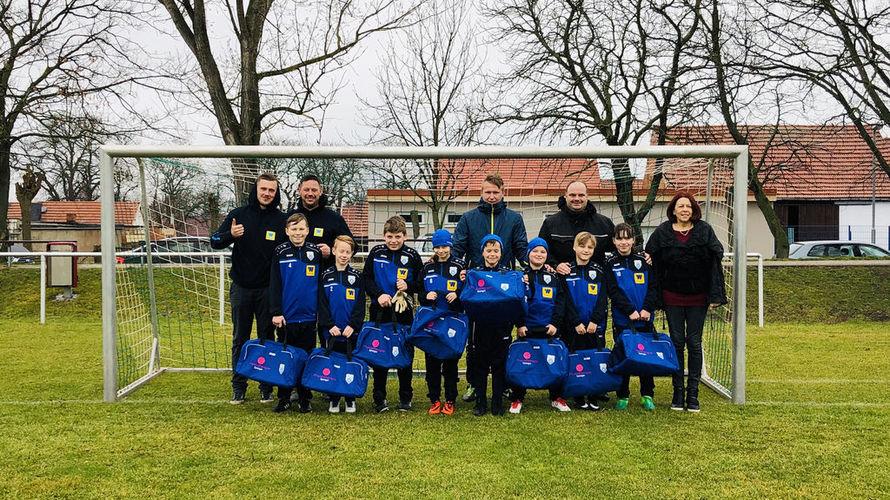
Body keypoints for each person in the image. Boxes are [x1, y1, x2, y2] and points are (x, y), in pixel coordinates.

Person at [644, 192, 727, 412]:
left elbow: (716, 257)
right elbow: (650, 255)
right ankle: (678, 392)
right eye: (680, 206)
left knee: (694, 342)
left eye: (688, 206)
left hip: (698, 296)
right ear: (673, 209)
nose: (684, 210)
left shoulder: (704, 230)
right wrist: (649, 258)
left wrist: (715, 294)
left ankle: (693, 394)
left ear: (693, 210)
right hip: (672, 295)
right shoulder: (663, 231)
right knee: (677, 341)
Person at [210, 173, 287, 404]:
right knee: (240, 339)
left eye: (271, 190)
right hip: (241, 289)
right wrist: (230, 235)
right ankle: (239, 386)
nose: (267, 193)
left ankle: (266, 386)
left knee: (267, 339)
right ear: (256, 190)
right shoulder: (238, 215)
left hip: (267, 291)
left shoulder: (281, 220)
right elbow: (214, 241)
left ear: (276, 193)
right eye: (263, 189)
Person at [453, 173, 528, 403]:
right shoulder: (468, 218)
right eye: (488, 192)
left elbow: (521, 248)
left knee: (502, 339)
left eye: (496, 192)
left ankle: (501, 383)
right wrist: (460, 270)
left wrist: (532, 268)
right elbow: (457, 249)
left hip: (504, 290)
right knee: (475, 340)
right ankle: (474, 383)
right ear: (481, 192)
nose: (492, 196)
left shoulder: (514, 218)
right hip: (477, 289)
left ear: (503, 192)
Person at [362, 216, 423, 413]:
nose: (393, 241)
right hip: (379, 311)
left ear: (405, 236)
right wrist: (378, 294)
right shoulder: (376, 253)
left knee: (404, 354)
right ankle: (379, 398)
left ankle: (406, 397)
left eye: (398, 236)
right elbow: (366, 278)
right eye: (390, 236)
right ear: (384, 236)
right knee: (379, 353)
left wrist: (408, 286)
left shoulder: (412, 256)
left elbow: (421, 283)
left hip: (403, 312)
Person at [509, 238, 571, 414]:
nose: (539, 254)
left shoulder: (554, 277)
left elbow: (560, 302)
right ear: (528, 254)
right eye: (535, 251)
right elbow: (515, 303)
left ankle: (556, 397)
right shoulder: (520, 277)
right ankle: (517, 398)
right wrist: (520, 324)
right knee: (524, 361)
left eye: (543, 252)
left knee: (552, 360)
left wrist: (555, 324)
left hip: (549, 327)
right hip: (527, 328)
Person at [268, 213, 322, 413]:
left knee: (306, 357)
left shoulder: (315, 252)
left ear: (307, 231)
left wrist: (320, 313)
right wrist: (276, 311)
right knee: (286, 357)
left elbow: (320, 285)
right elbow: (274, 284)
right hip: (286, 317)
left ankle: (305, 398)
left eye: (301, 229)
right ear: (287, 231)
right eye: (294, 229)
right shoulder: (280, 251)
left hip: (309, 317)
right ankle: (283, 398)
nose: (298, 232)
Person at [468, 234, 525, 417]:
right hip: (480, 325)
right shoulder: (474, 273)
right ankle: (480, 403)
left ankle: (497, 402)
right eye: (488, 250)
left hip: (502, 326)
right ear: (482, 252)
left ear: (501, 253)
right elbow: (466, 298)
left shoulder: (509, 274)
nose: (492, 254)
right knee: (480, 365)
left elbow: (518, 301)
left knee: (499, 365)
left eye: (496, 250)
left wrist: (519, 323)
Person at [604, 223, 659, 411]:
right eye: (619, 238)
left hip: (645, 317)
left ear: (633, 240)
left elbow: (653, 287)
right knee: (624, 354)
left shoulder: (644, 260)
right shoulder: (610, 263)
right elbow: (613, 291)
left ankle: (647, 394)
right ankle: (623, 394)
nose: (623, 242)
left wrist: (647, 309)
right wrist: (629, 311)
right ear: (614, 241)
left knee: (646, 355)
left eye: (627, 238)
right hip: (623, 319)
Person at [417, 229, 465, 416]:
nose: (441, 250)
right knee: (432, 363)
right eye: (437, 247)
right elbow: (420, 293)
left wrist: (457, 294)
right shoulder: (427, 267)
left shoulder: (460, 266)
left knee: (450, 364)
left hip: (452, 321)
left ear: (450, 246)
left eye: (444, 246)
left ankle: (450, 399)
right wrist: (426, 295)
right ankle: (435, 399)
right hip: (432, 322)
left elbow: (468, 291)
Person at [317, 235, 366, 414]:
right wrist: (329, 325)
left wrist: (353, 325)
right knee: (333, 363)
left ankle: (350, 398)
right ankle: (334, 398)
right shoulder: (325, 275)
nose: (344, 255)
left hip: (349, 331)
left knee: (349, 363)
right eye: (341, 251)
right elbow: (321, 303)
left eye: (347, 252)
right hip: (331, 330)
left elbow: (360, 305)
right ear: (334, 251)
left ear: (351, 254)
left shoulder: (357, 277)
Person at [562, 231, 609, 411]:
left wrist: (595, 321)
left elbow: (602, 299)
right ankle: (579, 395)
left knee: (595, 359)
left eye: (590, 247)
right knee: (577, 359)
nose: (586, 250)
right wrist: (575, 322)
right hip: (575, 326)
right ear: (574, 247)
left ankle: (594, 395)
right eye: (582, 246)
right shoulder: (567, 271)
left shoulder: (599, 271)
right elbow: (566, 300)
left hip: (594, 326)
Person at [538, 180, 616, 272]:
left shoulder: (604, 223)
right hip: (562, 278)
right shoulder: (550, 223)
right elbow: (541, 251)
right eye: (572, 195)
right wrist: (555, 265)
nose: (577, 199)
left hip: (598, 278)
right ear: (565, 196)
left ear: (587, 196)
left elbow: (617, 251)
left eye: (581, 195)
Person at [289, 174, 353, 268]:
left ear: (321, 191)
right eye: (306, 190)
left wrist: (332, 251)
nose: (310, 193)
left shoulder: (334, 218)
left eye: (314, 190)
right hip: (295, 272)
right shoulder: (289, 217)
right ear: (299, 190)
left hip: (325, 274)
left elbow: (352, 246)